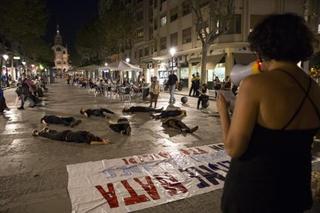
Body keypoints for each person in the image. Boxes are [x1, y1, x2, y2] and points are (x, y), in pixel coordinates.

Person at [217, 13, 319, 213]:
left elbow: (233, 148)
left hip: (253, 195)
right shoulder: (314, 88)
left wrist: (223, 111)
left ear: (262, 46)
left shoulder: (255, 85)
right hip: (294, 194)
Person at [32, 127, 109, 145]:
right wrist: (103, 142)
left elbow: (95, 139)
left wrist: (102, 140)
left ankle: (48, 130)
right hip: (64, 137)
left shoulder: (87, 133)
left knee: (56, 133)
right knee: (51, 137)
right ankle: (37, 133)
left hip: (67, 132)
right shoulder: (85, 138)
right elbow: (91, 143)